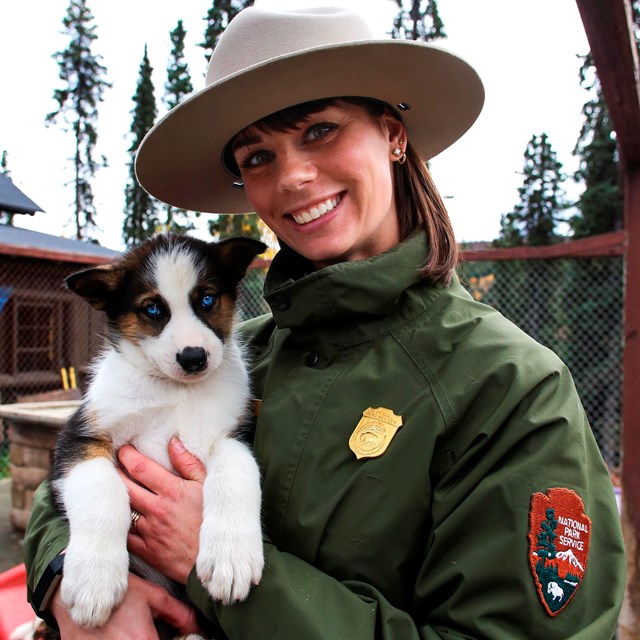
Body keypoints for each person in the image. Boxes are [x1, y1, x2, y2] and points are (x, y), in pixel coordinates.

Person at [24, 5, 625, 639]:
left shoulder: (511, 389)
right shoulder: (239, 356)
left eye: (320, 129)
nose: (293, 177)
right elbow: (64, 486)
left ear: (393, 134)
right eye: (257, 156)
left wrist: (221, 573)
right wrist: (70, 577)